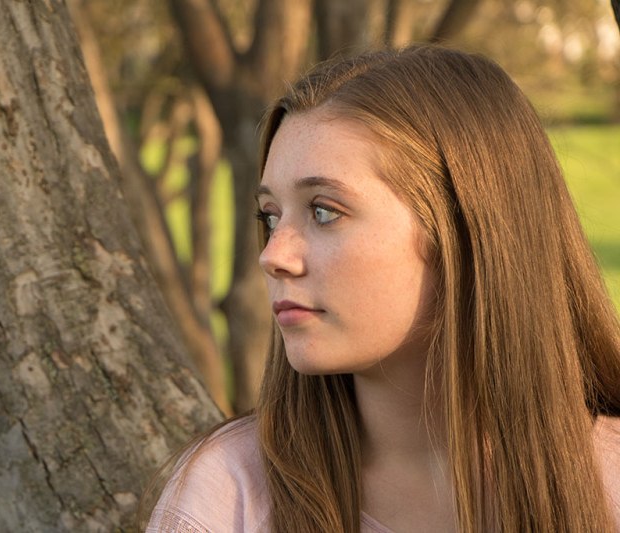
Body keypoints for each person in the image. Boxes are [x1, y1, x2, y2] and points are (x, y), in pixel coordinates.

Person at [143, 45, 620, 532]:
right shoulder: (228, 497)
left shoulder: (610, 484)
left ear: (465, 231)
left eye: (324, 211)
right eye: (270, 217)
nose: (273, 255)